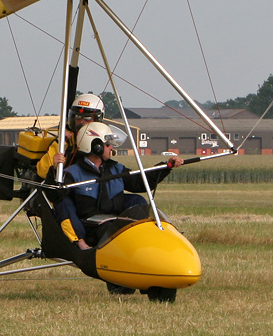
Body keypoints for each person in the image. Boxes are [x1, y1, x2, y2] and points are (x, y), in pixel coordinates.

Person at [56, 122, 182, 294]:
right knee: (64, 204)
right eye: (107, 145)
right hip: (91, 229)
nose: (111, 149)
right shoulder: (73, 172)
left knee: (137, 200)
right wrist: (55, 170)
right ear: (96, 146)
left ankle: (153, 260)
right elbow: (55, 195)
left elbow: (139, 181)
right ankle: (83, 245)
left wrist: (166, 167)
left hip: (114, 224)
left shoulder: (115, 168)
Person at [36, 93, 105, 181]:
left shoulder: (102, 141)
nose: (82, 122)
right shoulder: (66, 141)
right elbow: (42, 172)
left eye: (87, 119)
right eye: (78, 117)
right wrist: (62, 142)